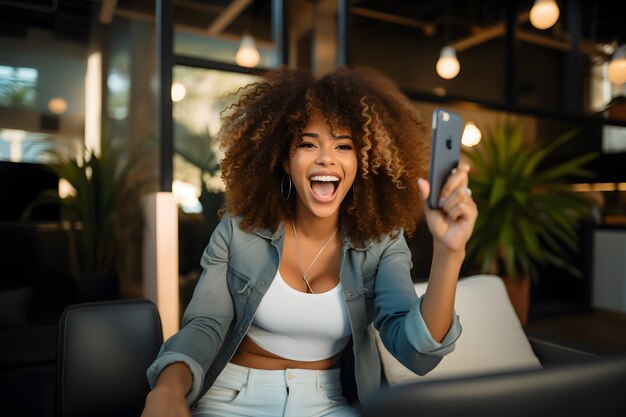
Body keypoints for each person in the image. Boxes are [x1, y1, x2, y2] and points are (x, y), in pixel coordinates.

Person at [141, 66, 478, 417]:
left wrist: (449, 252)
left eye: (343, 145)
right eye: (307, 143)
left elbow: (417, 352)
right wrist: (166, 389)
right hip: (232, 397)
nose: (325, 157)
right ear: (285, 159)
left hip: (325, 403)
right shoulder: (239, 231)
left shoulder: (382, 243)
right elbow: (205, 327)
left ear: (361, 162)